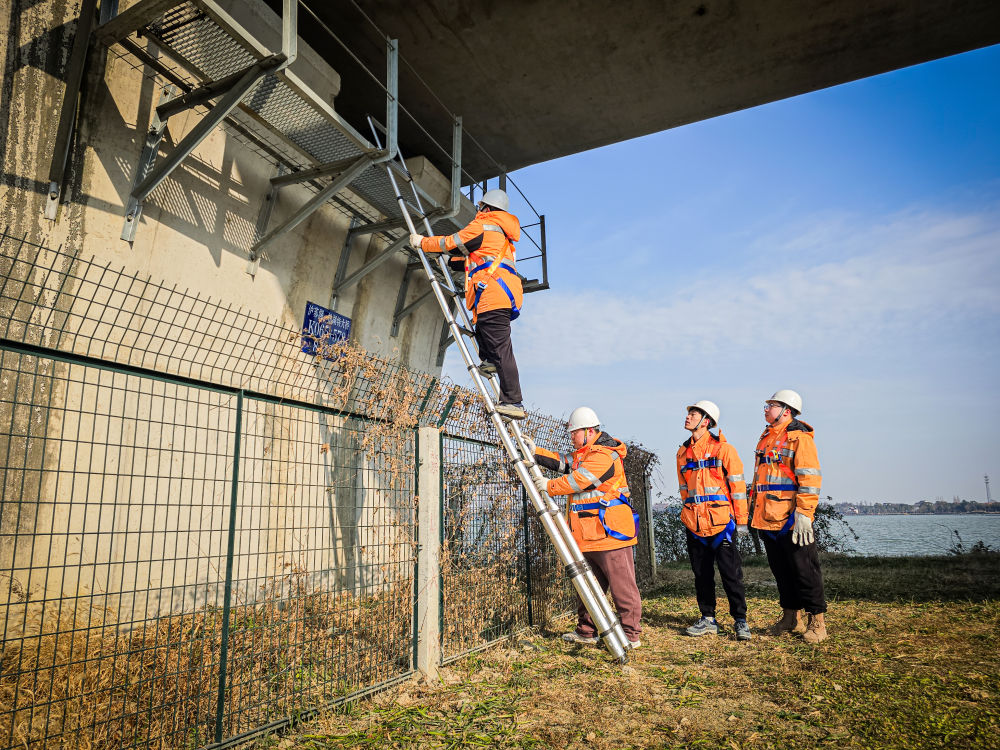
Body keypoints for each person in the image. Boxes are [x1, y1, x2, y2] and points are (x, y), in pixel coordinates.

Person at [526, 406, 642, 648]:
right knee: (588, 587)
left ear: (589, 431)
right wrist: (534, 452)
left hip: (611, 534)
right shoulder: (583, 455)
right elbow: (561, 462)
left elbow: (580, 480)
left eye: (574, 432)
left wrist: (549, 486)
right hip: (589, 535)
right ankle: (586, 631)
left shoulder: (604, 455)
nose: (571, 437)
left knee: (623, 588)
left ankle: (631, 635)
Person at [409, 189, 525, 419]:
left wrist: (423, 242)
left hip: (493, 293)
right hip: (499, 292)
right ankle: (490, 361)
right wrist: (449, 261)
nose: (477, 211)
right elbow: (473, 258)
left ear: (487, 208)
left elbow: (452, 242)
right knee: (484, 331)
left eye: (480, 207)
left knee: (502, 348)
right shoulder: (501, 234)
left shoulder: (484, 225)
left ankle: (513, 401)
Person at [750, 389, 827, 643]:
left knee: (805, 570)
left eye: (771, 405)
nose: (766, 409)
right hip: (768, 517)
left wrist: (804, 513)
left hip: (792, 518)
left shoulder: (800, 439)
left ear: (786, 410)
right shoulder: (766, 438)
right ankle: (791, 618)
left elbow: (810, 479)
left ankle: (818, 623)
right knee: (781, 571)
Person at [676, 400, 752, 640]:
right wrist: (689, 513)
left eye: (694, 413)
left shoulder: (724, 450)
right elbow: (684, 490)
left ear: (706, 421)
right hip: (695, 524)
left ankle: (740, 620)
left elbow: (738, 488)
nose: (688, 416)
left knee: (731, 574)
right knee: (702, 574)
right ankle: (708, 618)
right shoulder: (682, 453)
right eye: (689, 413)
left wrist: (741, 521)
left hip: (721, 524)